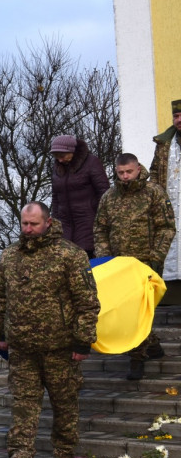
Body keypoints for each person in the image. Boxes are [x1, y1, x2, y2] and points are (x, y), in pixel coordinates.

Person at [0, 202, 101, 458]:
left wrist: (83, 342)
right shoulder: (9, 256)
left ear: (48, 222)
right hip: (23, 348)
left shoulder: (69, 255)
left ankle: (63, 455)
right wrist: (2, 334)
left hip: (60, 348)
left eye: (34, 224)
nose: (28, 229)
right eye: (24, 224)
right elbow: (2, 298)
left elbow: (87, 303)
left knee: (64, 404)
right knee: (23, 405)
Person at [94, 153, 176, 379]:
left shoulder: (153, 193)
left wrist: (156, 257)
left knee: (138, 311)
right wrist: (104, 258)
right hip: (118, 266)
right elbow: (100, 229)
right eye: (120, 173)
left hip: (145, 264)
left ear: (138, 169)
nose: (125, 176)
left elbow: (167, 227)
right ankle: (153, 345)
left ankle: (137, 359)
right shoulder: (109, 197)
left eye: (129, 172)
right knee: (127, 311)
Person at [49, 134, 109, 257]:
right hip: (64, 226)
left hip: (89, 224)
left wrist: (100, 219)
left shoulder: (92, 162)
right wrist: (54, 222)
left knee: (88, 263)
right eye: (56, 157)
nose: (59, 160)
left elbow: (104, 192)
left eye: (62, 156)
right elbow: (55, 197)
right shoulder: (57, 167)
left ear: (72, 151)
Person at [149, 99, 181, 280]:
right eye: (176, 116)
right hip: (170, 208)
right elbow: (155, 171)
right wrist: (156, 196)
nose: (178, 119)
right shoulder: (164, 144)